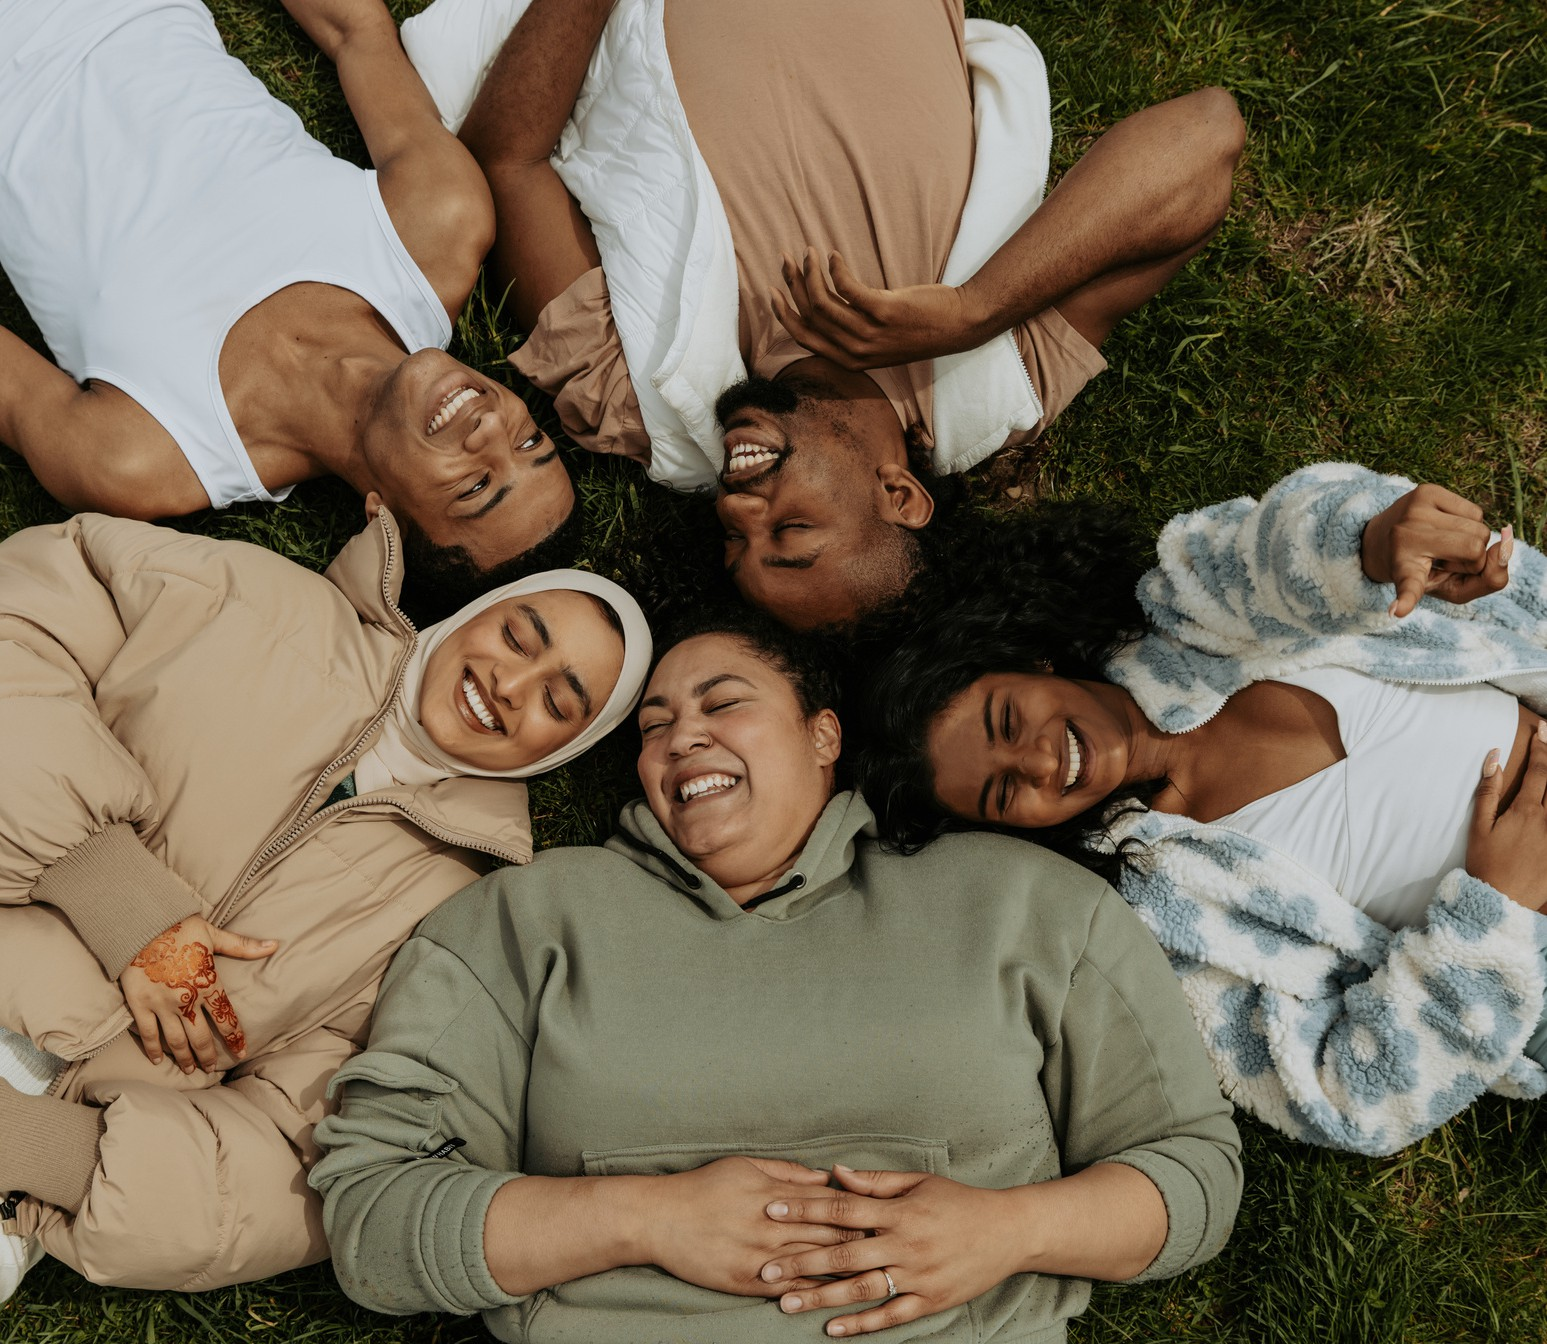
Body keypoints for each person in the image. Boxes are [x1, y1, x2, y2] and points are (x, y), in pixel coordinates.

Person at [309, 610, 1241, 1342]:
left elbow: (1191, 1174)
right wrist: (645, 1217)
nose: (681, 738)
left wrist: (1006, 1233)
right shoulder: (521, 920)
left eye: (723, 704)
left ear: (822, 734)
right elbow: (371, 1221)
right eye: (654, 725)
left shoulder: (1027, 904)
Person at [403, 0, 1245, 629]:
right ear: (900, 495)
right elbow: (1204, 135)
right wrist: (974, 310)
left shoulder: (633, 398)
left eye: (736, 545)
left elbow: (508, 161)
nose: (736, 511)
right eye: (790, 531)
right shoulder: (999, 379)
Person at [0, 505, 650, 1300]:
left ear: (566, 750)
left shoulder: (459, 918)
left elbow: (300, 1157)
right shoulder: (254, 601)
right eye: (519, 636)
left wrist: (38, 1146)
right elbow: (24, 616)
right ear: (481, 610)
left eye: (560, 702)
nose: (509, 686)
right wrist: (112, 892)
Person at [856, 461, 1547, 1155]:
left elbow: (1288, 545)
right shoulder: (1163, 917)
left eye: (1008, 720)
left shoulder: (1192, 617)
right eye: (1003, 793)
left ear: (1029, 662)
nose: (1037, 762)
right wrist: (1493, 913)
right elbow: (1346, 1100)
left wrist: (1369, 543)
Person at [0, 0, 576, 624]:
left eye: (474, 487)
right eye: (529, 439)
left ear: (385, 521)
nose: (491, 430)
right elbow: (356, 31)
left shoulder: (145, 456)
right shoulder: (437, 227)